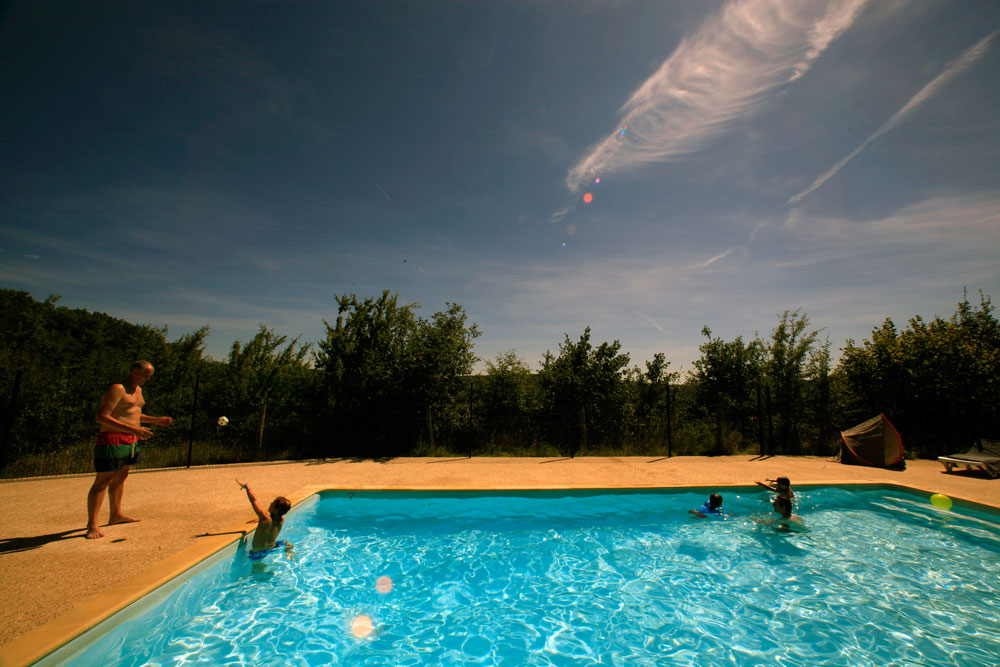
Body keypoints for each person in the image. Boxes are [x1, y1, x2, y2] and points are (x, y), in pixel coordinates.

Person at [86, 360, 171, 539]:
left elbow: (133, 415)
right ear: (133, 371)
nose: (148, 379)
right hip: (112, 439)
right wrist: (134, 429)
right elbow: (101, 417)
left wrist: (157, 420)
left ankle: (115, 515)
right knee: (103, 481)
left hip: (131, 440)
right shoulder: (117, 389)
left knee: (121, 477)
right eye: (145, 375)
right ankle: (92, 524)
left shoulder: (138, 391)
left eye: (150, 376)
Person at [236, 479, 293, 559]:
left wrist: (247, 487)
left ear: (276, 510)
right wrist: (260, 520)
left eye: (272, 504)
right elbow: (272, 522)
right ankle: (289, 554)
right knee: (287, 544)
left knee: (257, 569)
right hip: (273, 547)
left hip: (258, 552)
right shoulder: (281, 520)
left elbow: (253, 500)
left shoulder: (265, 519)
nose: (270, 504)